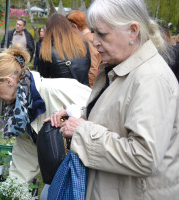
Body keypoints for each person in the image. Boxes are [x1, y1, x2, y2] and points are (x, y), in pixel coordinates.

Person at [46, 0, 179, 199]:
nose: (94, 40)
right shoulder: (127, 67)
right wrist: (78, 114)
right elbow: (119, 113)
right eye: (93, 32)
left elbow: (144, 156)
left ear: (133, 31)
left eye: (102, 33)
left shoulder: (150, 79)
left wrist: (82, 131)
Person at [0, 43, 91, 184]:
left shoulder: (55, 91)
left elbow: (100, 111)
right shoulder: (20, 110)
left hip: (91, 168)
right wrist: (10, 190)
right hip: (65, 173)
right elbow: (25, 155)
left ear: (8, 81)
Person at [39, 14, 91, 87]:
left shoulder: (47, 52)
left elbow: (43, 79)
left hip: (62, 95)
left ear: (49, 30)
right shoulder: (84, 45)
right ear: (68, 27)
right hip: (85, 94)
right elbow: (87, 68)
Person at [67, 10, 101, 88]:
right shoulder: (89, 37)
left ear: (74, 26)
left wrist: (90, 89)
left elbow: (93, 67)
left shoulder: (87, 40)